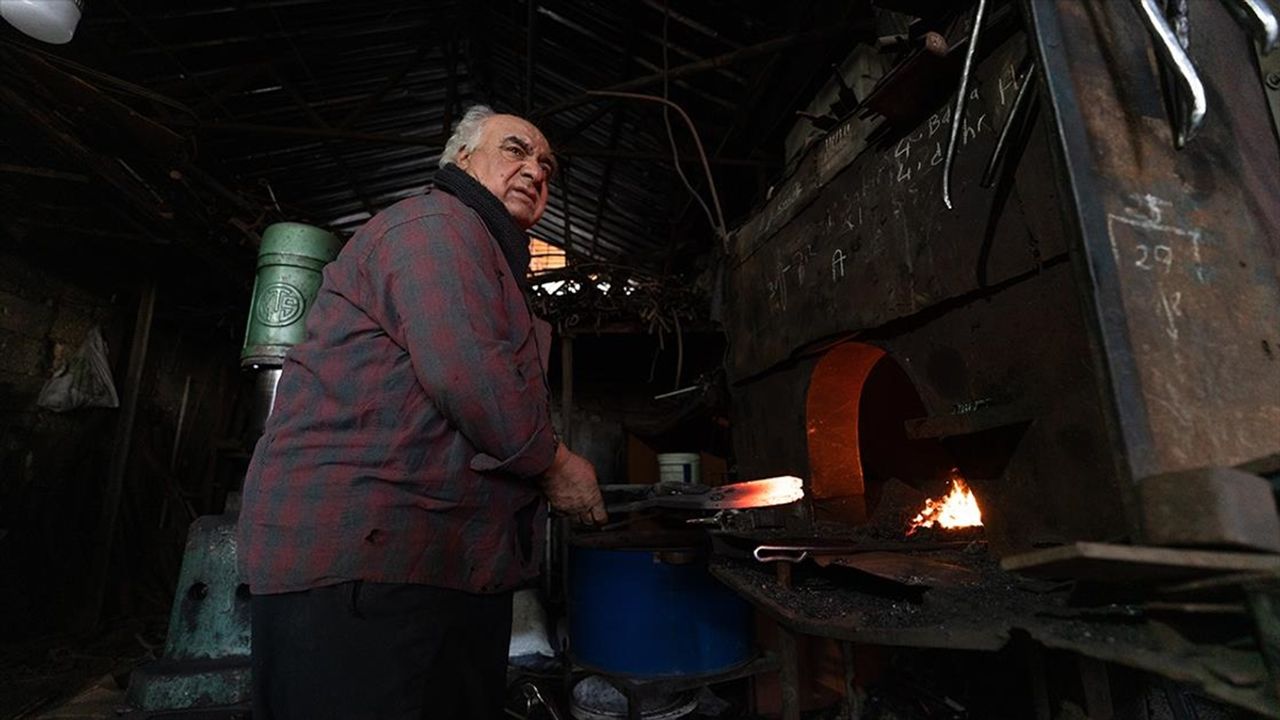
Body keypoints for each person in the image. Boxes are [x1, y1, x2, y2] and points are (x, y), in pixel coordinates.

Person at [238, 105, 607, 720]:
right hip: (367, 565)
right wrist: (555, 465)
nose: (536, 171)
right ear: (461, 157)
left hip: (420, 564)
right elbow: (471, 375)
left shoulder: (483, 250)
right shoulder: (438, 226)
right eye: (515, 150)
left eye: (547, 165)